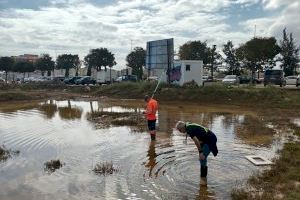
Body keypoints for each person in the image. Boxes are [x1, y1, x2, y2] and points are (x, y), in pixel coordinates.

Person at [175, 121, 218, 186]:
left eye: (180, 130)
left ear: (182, 128)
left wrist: (200, 152)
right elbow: (198, 134)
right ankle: (203, 177)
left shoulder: (189, 129)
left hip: (210, 139)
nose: (180, 132)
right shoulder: (188, 125)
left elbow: (196, 141)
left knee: (202, 158)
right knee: (202, 158)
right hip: (207, 138)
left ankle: (203, 179)